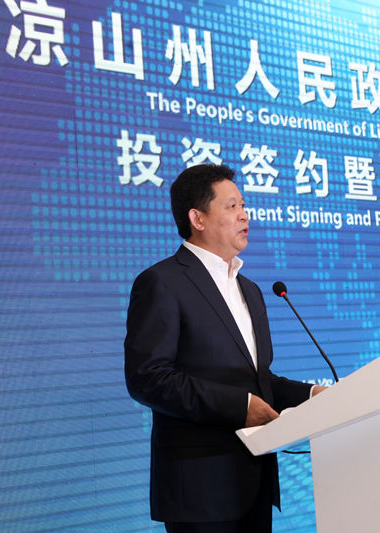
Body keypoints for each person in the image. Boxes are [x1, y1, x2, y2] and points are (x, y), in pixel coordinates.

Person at [124, 163, 325, 533]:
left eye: (243, 205)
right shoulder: (162, 282)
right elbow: (148, 378)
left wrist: (313, 395)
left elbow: (257, 380)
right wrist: (240, 407)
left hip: (253, 481)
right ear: (197, 218)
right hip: (199, 490)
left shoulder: (251, 290)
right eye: (232, 206)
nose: (244, 215)